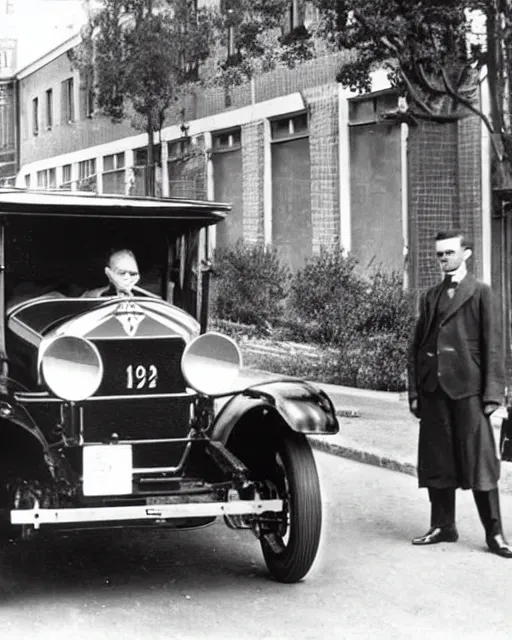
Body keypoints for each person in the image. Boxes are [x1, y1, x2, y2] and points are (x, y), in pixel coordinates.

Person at [407, 229, 512, 558]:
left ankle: (495, 534)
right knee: (437, 459)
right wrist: (415, 392)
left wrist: (494, 394)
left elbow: (494, 345)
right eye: (439, 254)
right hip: (434, 389)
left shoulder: (481, 293)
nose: (443, 259)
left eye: (449, 253)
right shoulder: (431, 295)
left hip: (469, 390)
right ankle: (443, 526)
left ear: (467, 254)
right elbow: (417, 345)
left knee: (481, 462)